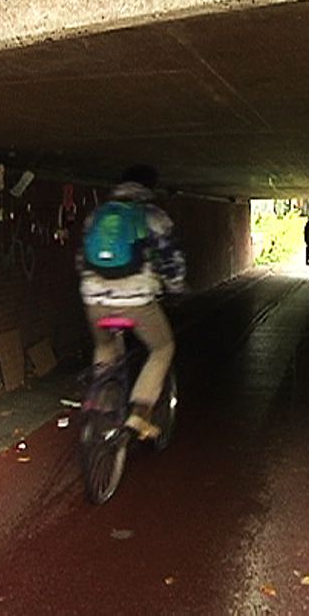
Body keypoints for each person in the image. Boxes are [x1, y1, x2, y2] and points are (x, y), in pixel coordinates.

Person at [78, 165, 186, 439]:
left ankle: (102, 409)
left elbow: (82, 259)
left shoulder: (97, 216)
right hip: (136, 301)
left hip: (95, 299)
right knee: (163, 347)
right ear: (149, 188)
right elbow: (171, 260)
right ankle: (139, 414)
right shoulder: (153, 216)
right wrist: (176, 288)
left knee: (105, 343)